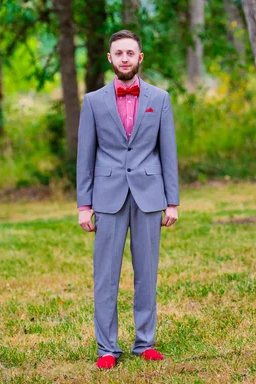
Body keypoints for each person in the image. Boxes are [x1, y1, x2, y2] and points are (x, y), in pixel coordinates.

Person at [77, 29, 179, 369]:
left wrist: (172, 201)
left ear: (140, 58)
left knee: (146, 272)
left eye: (130, 53)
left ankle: (144, 342)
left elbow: (168, 152)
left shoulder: (160, 99)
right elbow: (85, 156)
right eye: (118, 53)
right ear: (110, 59)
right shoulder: (93, 101)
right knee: (106, 274)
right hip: (108, 197)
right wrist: (83, 204)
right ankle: (107, 348)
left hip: (150, 196)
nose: (124, 58)